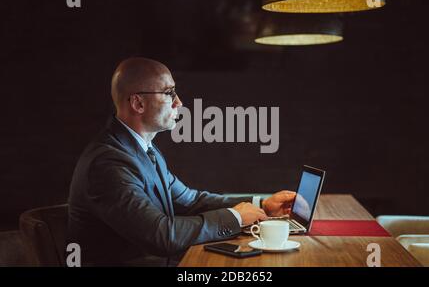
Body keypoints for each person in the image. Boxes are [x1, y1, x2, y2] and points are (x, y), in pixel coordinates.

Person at [68, 57, 296, 266]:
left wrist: (261, 205)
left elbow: (191, 201)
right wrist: (235, 217)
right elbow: (161, 235)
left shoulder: (142, 149)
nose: (179, 102)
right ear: (138, 103)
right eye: (169, 93)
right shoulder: (107, 163)